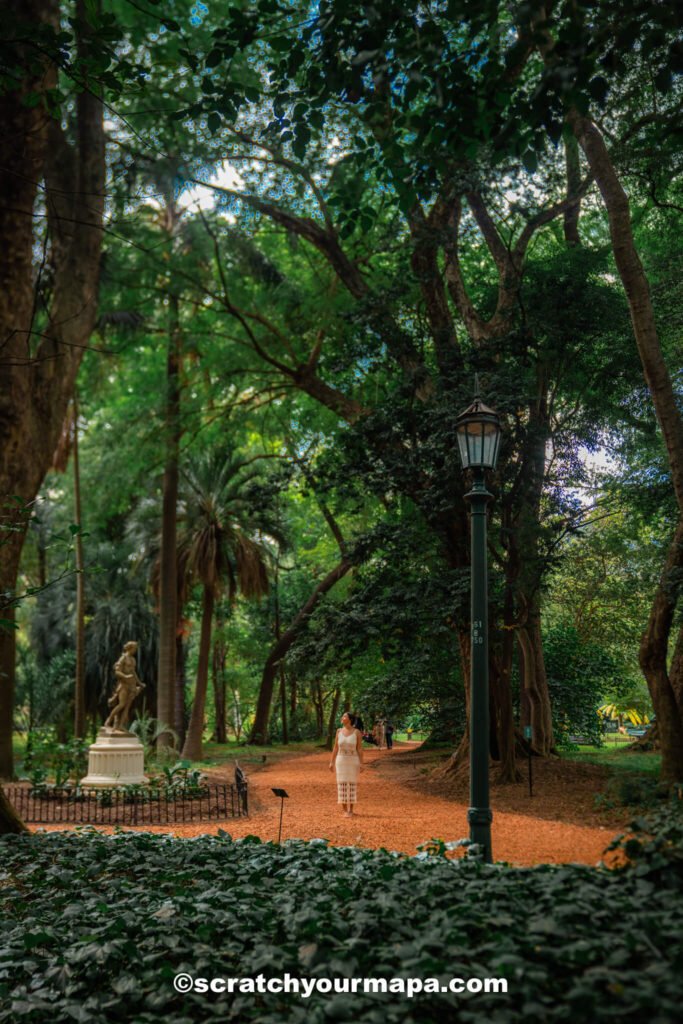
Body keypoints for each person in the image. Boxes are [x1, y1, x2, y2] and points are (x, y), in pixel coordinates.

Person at [329, 711, 364, 816]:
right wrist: (331, 762)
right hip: (341, 761)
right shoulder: (339, 731)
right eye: (343, 716)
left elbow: (359, 749)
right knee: (342, 784)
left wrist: (362, 763)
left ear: (350, 720)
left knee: (352, 784)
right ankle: (345, 810)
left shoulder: (357, 732)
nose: (342, 718)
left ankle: (351, 810)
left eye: (344, 716)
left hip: (353, 761)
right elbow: (335, 747)